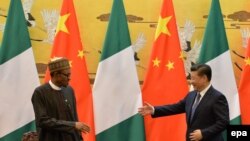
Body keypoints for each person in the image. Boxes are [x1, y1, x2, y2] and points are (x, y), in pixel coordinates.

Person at [138, 64, 229, 141]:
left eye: (193, 78)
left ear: (204, 78)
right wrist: (154, 109)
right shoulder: (191, 95)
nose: (191, 81)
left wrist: (203, 133)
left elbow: (223, 123)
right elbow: (175, 107)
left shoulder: (217, 97)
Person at [31, 57, 90, 141]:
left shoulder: (69, 90)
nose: (69, 78)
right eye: (67, 75)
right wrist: (72, 125)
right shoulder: (40, 92)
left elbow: (74, 117)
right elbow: (42, 121)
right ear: (56, 74)